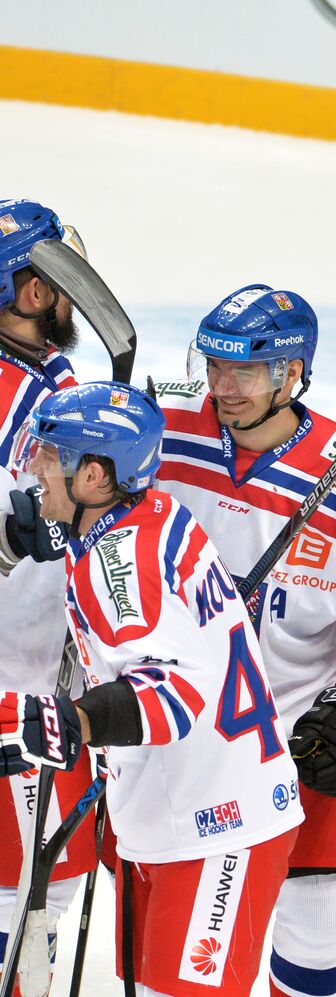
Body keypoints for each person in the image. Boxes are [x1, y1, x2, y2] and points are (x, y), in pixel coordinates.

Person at [153, 284, 336, 997]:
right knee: (179, 934)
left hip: (297, 733)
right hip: (179, 733)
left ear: (291, 372)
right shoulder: (163, 425)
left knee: (319, 923)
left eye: (243, 371)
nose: (223, 387)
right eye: (214, 366)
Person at [4, 381, 303, 997]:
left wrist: (72, 723)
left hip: (218, 825)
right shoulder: (156, 513)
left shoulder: (114, 568)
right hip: (178, 812)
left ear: (94, 476)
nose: (34, 465)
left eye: (49, 454)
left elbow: (175, 692)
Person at [0, 198, 95, 987]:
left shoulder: (47, 384)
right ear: (35, 293)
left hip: (28, 681)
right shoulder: (34, 400)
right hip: (17, 690)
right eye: (62, 276)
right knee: (34, 891)